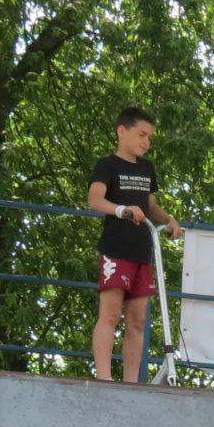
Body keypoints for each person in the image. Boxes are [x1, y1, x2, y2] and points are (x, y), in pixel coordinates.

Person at [86, 106, 182, 382]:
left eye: (149, 137)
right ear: (122, 132)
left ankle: (131, 383)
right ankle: (104, 378)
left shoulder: (147, 169)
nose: (146, 142)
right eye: (141, 134)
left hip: (143, 252)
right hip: (116, 250)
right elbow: (95, 200)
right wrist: (121, 210)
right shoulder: (107, 166)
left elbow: (150, 205)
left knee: (138, 319)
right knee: (111, 314)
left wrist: (169, 220)